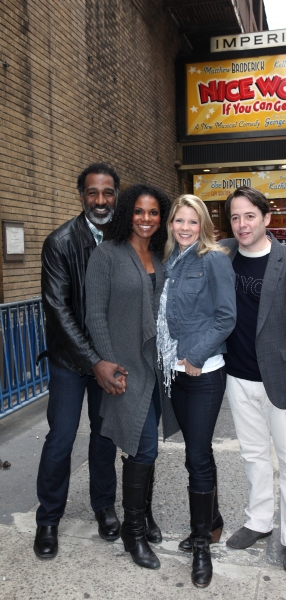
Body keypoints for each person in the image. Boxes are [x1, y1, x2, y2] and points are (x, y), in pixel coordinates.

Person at [221, 186, 286, 576]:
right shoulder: (224, 255)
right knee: (253, 456)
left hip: (281, 382)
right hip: (237, 377)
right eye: (235, 217)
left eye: (249, 216)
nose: (242, 224)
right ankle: (259, 521)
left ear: (266, 218)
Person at [34, 163, 127, 560]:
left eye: (108, 193)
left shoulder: (125, 239)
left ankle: (104, 507)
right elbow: (58, 309)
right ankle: (49, 519)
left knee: (105, 439)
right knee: (61, 439)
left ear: (116, 195)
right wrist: (94, 361)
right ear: (81, 196)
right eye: (93, 193)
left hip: (110, 358)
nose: (101, 201)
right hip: (70, 362)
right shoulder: (60, 242)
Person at [85, 183, 179, 571]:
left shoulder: (162, 254)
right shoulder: (107, 254)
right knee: (143, 448)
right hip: (125, 366)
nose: (146, 219)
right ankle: (133, 532)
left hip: (158, 367)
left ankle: (143, 514)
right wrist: (105, 362)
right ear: (128, 213)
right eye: (139, 211)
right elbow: (94, 313)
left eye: (154, 212)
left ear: (162, 218)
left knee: (147, 446)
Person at [156, 194, 236, 588]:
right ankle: (214, 522)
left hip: (202, 373)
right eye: (178, 221)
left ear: (202, 223)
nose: (184, 228)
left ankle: (202, 543)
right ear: (171, 224)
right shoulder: (171, 263)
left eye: (192, 221)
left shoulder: (214, 259)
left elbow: (226, 317)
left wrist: (196, 354)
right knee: (195, 455)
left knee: (198, 456)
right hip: (175, 373)